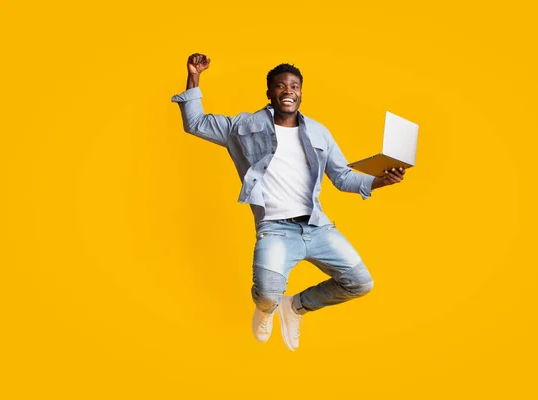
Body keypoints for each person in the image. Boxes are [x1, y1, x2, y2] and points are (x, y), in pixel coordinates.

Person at [171, 53, 406, 351]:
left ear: (301, 93)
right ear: (269, 92)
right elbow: (195, 123)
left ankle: (295, 308)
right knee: (267, 293)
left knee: (361, 284)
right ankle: (269, 308)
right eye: (280, 86)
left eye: (294, 86)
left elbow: (343, 178)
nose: (288, 91)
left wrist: (379, 180)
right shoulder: (243, 127)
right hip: (275, 229)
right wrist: (194, 76)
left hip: (317, 227)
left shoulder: (320, 132)